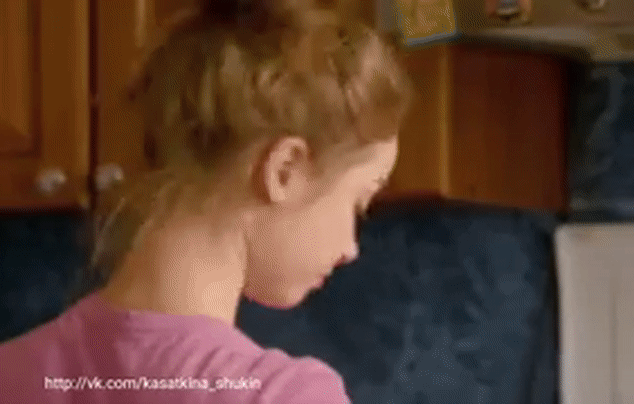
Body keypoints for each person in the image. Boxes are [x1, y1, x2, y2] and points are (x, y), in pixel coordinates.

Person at [0, 0, 412, 402]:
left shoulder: (11, 370)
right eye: (359, 203)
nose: (351, 248)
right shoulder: (285, 395)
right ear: (285, 170)